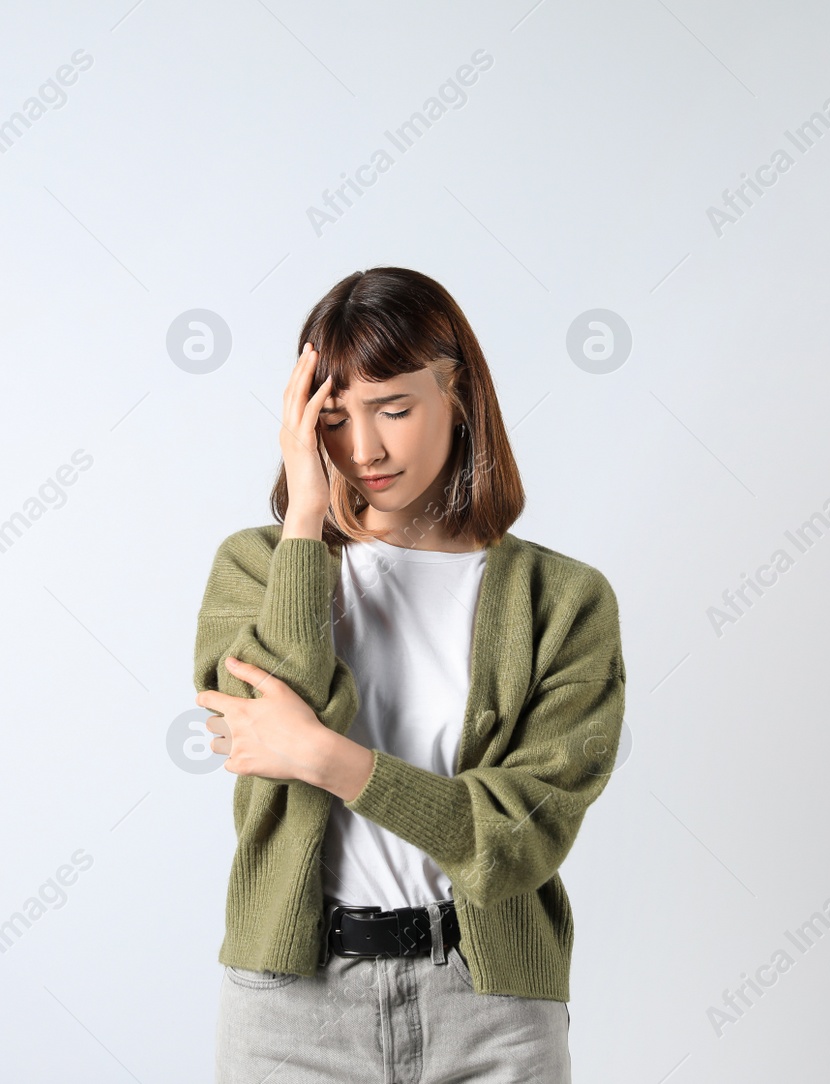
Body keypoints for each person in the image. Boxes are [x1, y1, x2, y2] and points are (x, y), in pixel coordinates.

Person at [192, 267, 626, 1083]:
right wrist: (307, 523)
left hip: (492, 1008)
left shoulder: (562, 602)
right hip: (292, 1006)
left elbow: (517, 837)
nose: (365, 449)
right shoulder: (256, 568)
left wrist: (328, 759)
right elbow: (258, 725)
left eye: (393, 408)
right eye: (333, 419)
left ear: (457, 394)